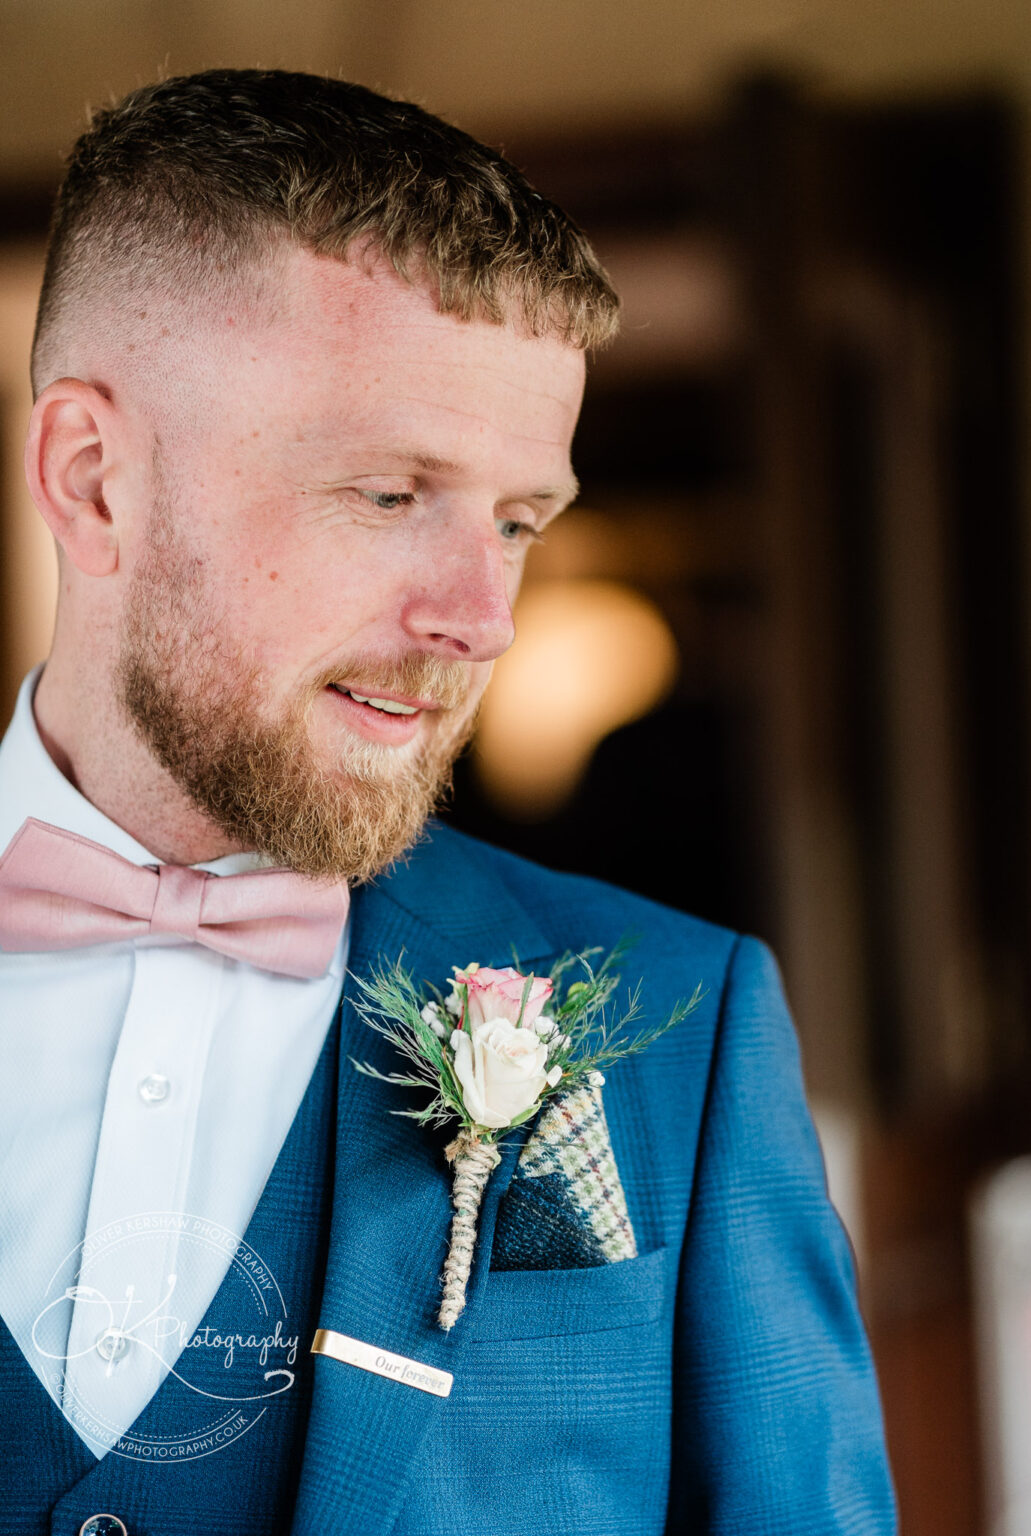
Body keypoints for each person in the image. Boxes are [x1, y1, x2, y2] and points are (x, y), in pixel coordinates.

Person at [0, 69, 895, 1535]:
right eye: (388, 494)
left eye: (521, 521)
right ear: (96, 483)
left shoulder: (691, 1031)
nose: (484, 616)